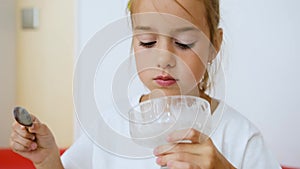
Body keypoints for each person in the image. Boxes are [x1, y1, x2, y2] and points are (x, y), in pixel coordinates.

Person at [10, 0, 281, 168]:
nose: (163, 58)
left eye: (184, 43)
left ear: (214, 46)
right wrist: (46, 159)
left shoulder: (240, 138)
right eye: (148, 42)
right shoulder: (111, 125)